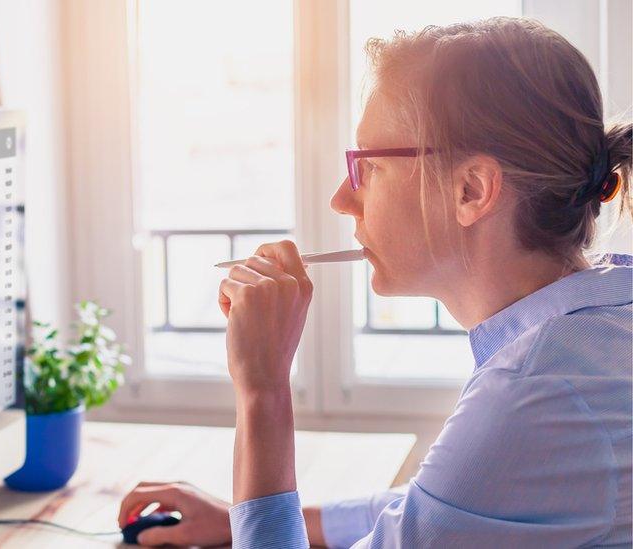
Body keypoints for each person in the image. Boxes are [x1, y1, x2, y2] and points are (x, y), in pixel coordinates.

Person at [118, 17, 632, 548]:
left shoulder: (534, 393)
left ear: (471, 190)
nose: (342, 199)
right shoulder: (598, 329)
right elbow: (438, 506)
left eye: (367, 166)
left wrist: (263, 389)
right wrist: (241, 521)